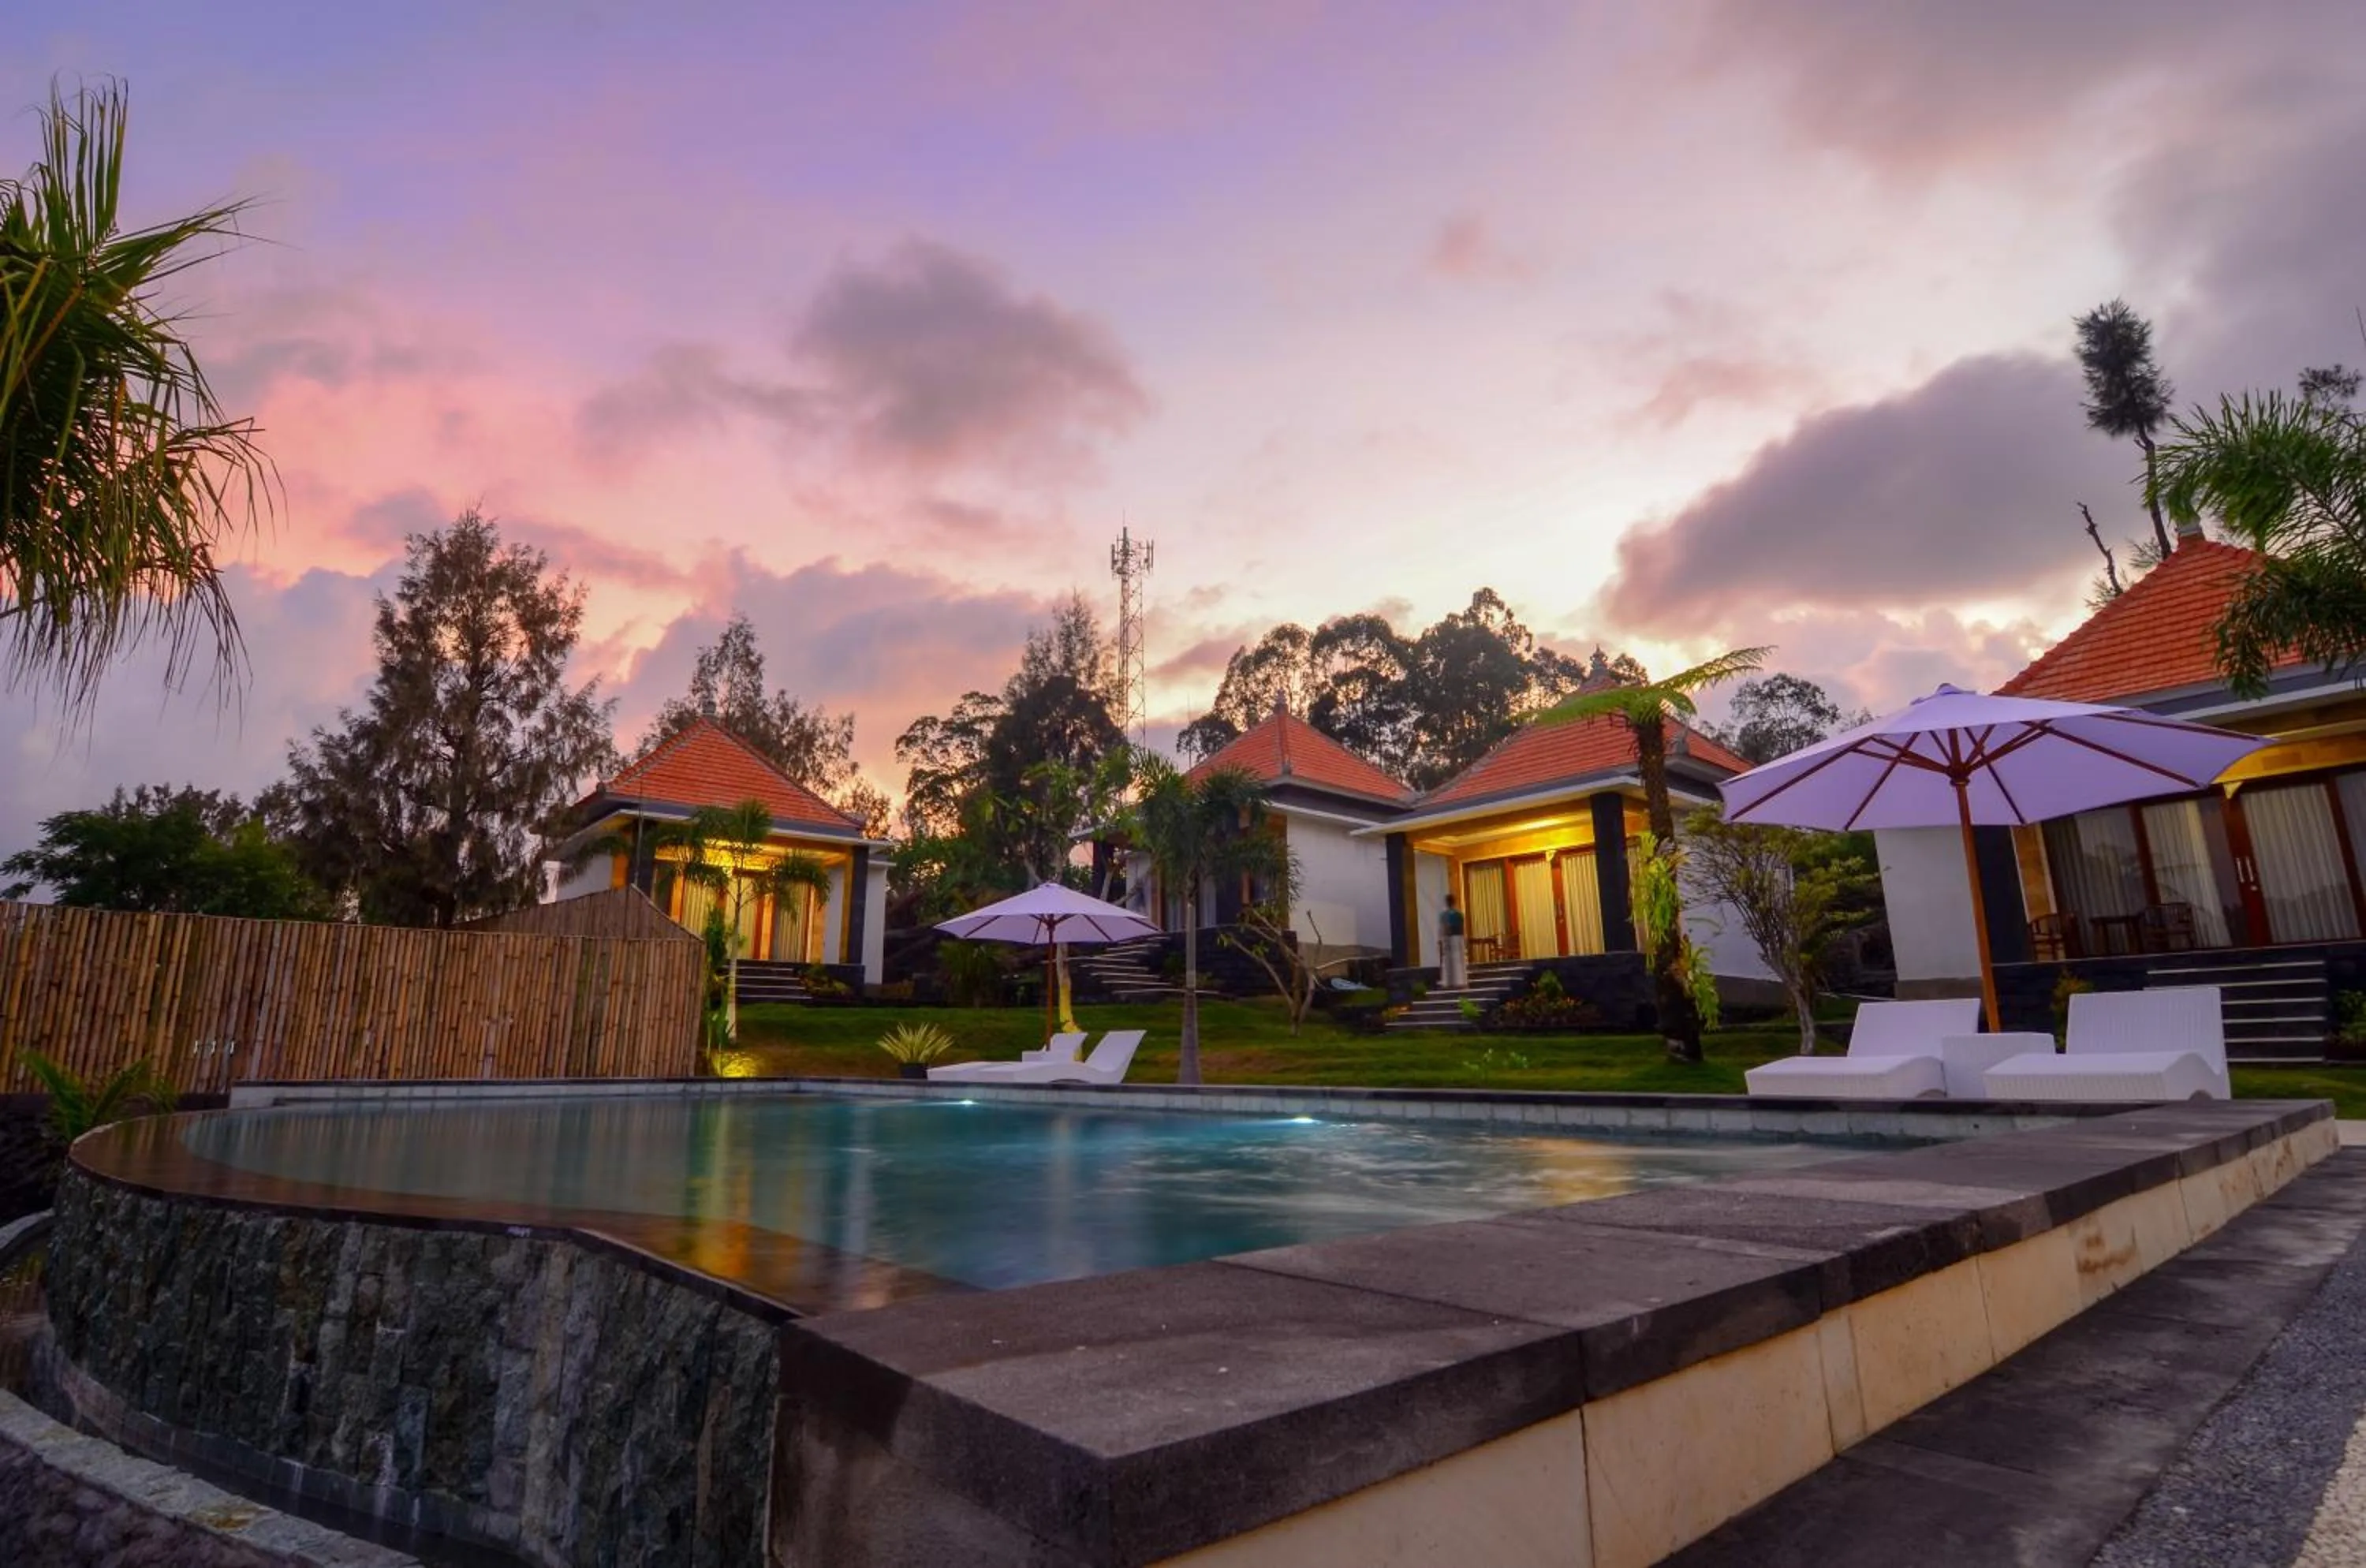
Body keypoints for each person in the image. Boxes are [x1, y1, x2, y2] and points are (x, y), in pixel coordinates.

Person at [1438, 893, 1468, 989]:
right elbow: (1442, 928)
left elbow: (1460, 928)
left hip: (1454, 938)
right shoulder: (1446, 915)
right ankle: (1453, 981)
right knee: (1452, 961)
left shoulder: (1457, 914)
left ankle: (1456, 981)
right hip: (1452, 939)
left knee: (1455, 961)